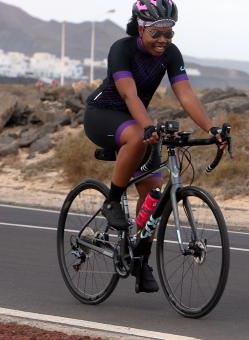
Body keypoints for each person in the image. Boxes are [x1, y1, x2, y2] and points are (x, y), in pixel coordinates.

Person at [83, 0, 225, 293]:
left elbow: (185, 95)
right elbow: (129, 94)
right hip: (103, 115)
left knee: (152, 196)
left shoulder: (171, 55)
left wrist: (211, 129)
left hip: (138, 120)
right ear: (141, 27)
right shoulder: (122, 49)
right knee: (137, 134)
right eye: (156, 33)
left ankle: (139, 259)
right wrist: (148, 125)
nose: (163, 40)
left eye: (169, 33)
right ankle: (113, 200)